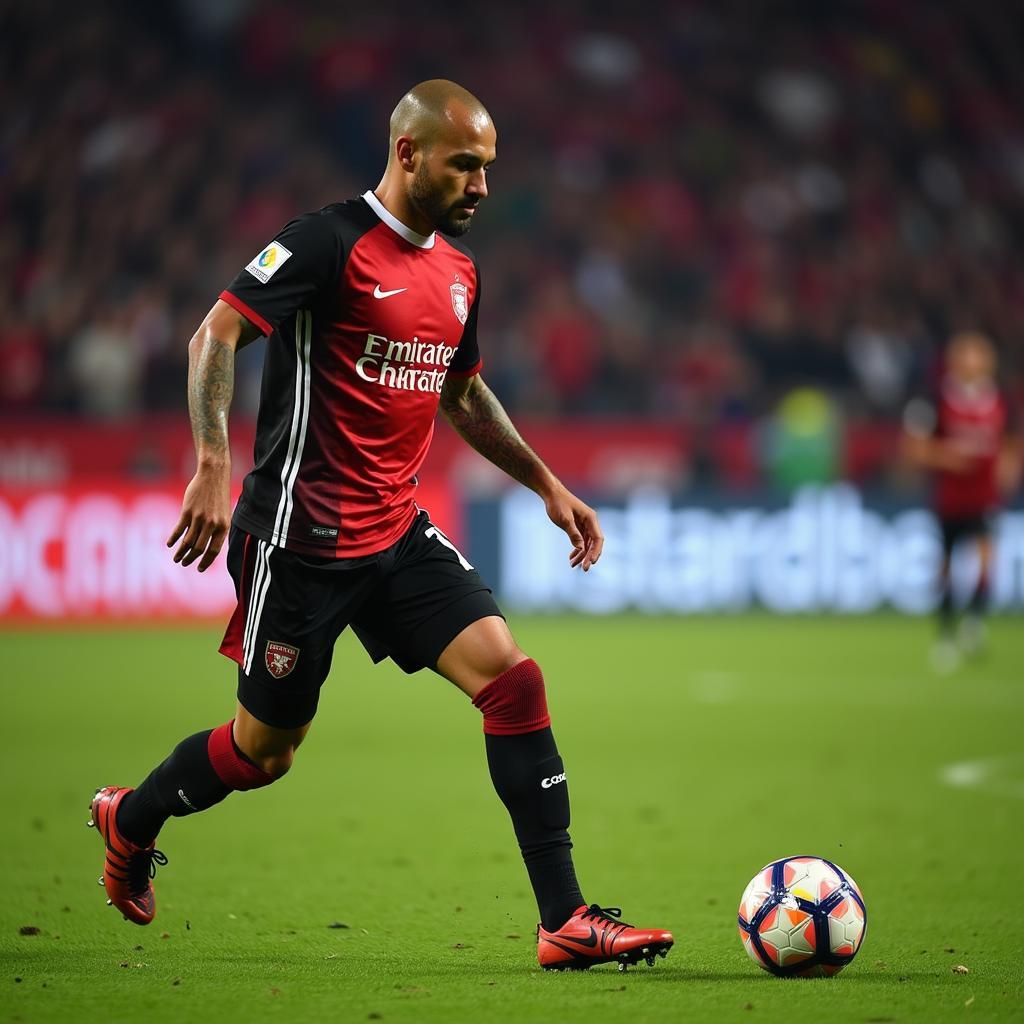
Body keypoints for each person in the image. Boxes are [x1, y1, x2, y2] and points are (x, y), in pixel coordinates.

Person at [89, 80, 672, 972]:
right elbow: (214, 336)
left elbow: (464, 392)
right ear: (408, 155)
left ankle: (565, 919)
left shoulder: (460, 273)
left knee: (513, 683)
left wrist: (546, 483)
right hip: (298, 542)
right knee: (264, 753)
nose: (481, 184)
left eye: (489, 168)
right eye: (464, 164)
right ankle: (129, 820)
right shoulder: (325, 242)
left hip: (395, 531)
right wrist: (211, 463)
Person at [903, 331, 1019, 670]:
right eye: (967, 355)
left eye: (979, 355)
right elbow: (916, 448)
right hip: (949, 496)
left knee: (986, 558)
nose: (973, 362)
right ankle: (945, 635)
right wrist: (949, 457)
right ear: (954, 361)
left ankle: (974, 625)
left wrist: (1009, 468)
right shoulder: (935, 399)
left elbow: (1011, 443)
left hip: (985, 497)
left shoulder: (1000, 401)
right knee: (946, 566)